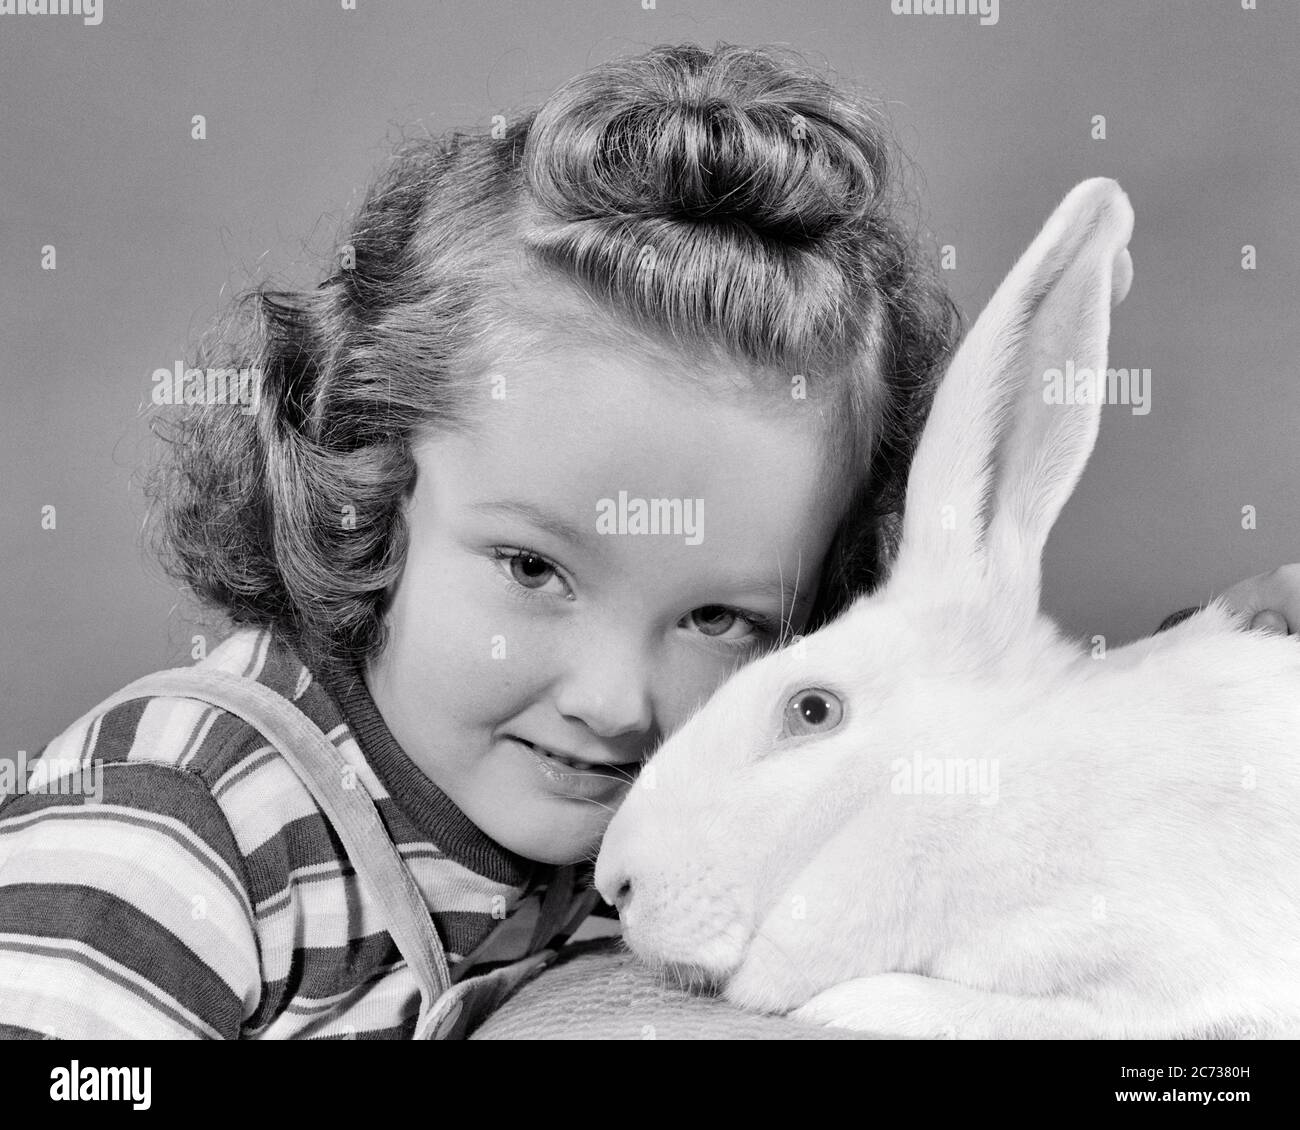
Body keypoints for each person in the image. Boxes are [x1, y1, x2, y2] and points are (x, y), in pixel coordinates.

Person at [1, 42, 1294, 1040]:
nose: (617, 702)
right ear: (373, 478)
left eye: (720, 617)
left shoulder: (656, 832)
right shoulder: (163, 832)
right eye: (533, 569)